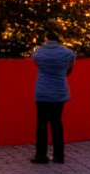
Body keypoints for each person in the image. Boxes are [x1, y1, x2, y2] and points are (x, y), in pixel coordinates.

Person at [31, 29, 75, 165]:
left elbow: (36, 64)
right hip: (59, 90)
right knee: (57, 123)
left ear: (46, 39)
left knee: (41, 123)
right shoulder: (68, 54)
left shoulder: (38, 53)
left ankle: (41, 155)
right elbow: (69, 70)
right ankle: (59, 155)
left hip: (42, 90)